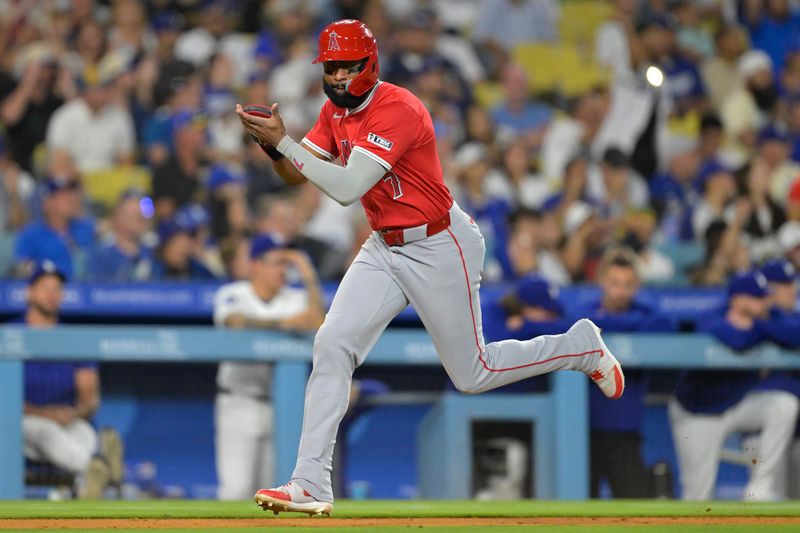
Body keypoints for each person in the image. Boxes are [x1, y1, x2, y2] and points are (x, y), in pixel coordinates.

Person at [236, 19, 625, 516]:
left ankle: (580, 348)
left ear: (368, 64)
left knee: (472, 373)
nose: (335, 76)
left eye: (344, 66)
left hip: (439, 242)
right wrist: (274, 143)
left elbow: (346, 187)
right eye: (330, 66)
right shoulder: (334, 111)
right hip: (384, 244)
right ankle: (310, 481)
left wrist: (286, 146)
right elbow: (295, 173)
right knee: (331, 343)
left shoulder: (398, 107)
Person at [669, 271, 799, 500]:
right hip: (699, 411)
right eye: (758, 297)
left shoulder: (766, 317)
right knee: (698, 495)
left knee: (784, 405)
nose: (765, 301)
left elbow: (795, 332)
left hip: (736, 404)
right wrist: (762, 330)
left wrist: (758, 326)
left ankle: (761, 485)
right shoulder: (711, 316)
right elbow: (736, 339)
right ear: (738, 300)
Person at [214, 234, 325, 500]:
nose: (282, 270)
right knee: (236, 490)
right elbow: (235, 322)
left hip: (282, 405)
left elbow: (320, 323)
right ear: (255, 265)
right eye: (276, 263)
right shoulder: (233, 293)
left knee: (274, 493)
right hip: (239, 403)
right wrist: (282, 325)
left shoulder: (294, 297)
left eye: (286, 263)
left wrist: (308, 275)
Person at [570, 248, 677, 498]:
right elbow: (575, 323)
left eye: (628, 284)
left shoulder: (648, 315)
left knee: (636, 509)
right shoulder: (583, 312)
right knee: (579, 512)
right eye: (614, 283)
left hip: (625, 432)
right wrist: (629, 327)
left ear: (637, 285)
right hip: (583, 431)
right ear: (602, 282)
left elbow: (666, 324)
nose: (620, 291)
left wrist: (610, 327)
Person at [20, 260, 123, 499]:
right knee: (46, 433)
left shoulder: (72, 338)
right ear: (29, 292)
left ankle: (91, 477)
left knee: (85, 434)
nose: (51, 295)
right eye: (45, 288)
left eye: (57, 289)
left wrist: (72, 414)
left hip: (66, 418)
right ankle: (97, 471)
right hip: (22, 422)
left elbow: (89, 398)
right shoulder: (9, 334)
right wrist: (45, 414)